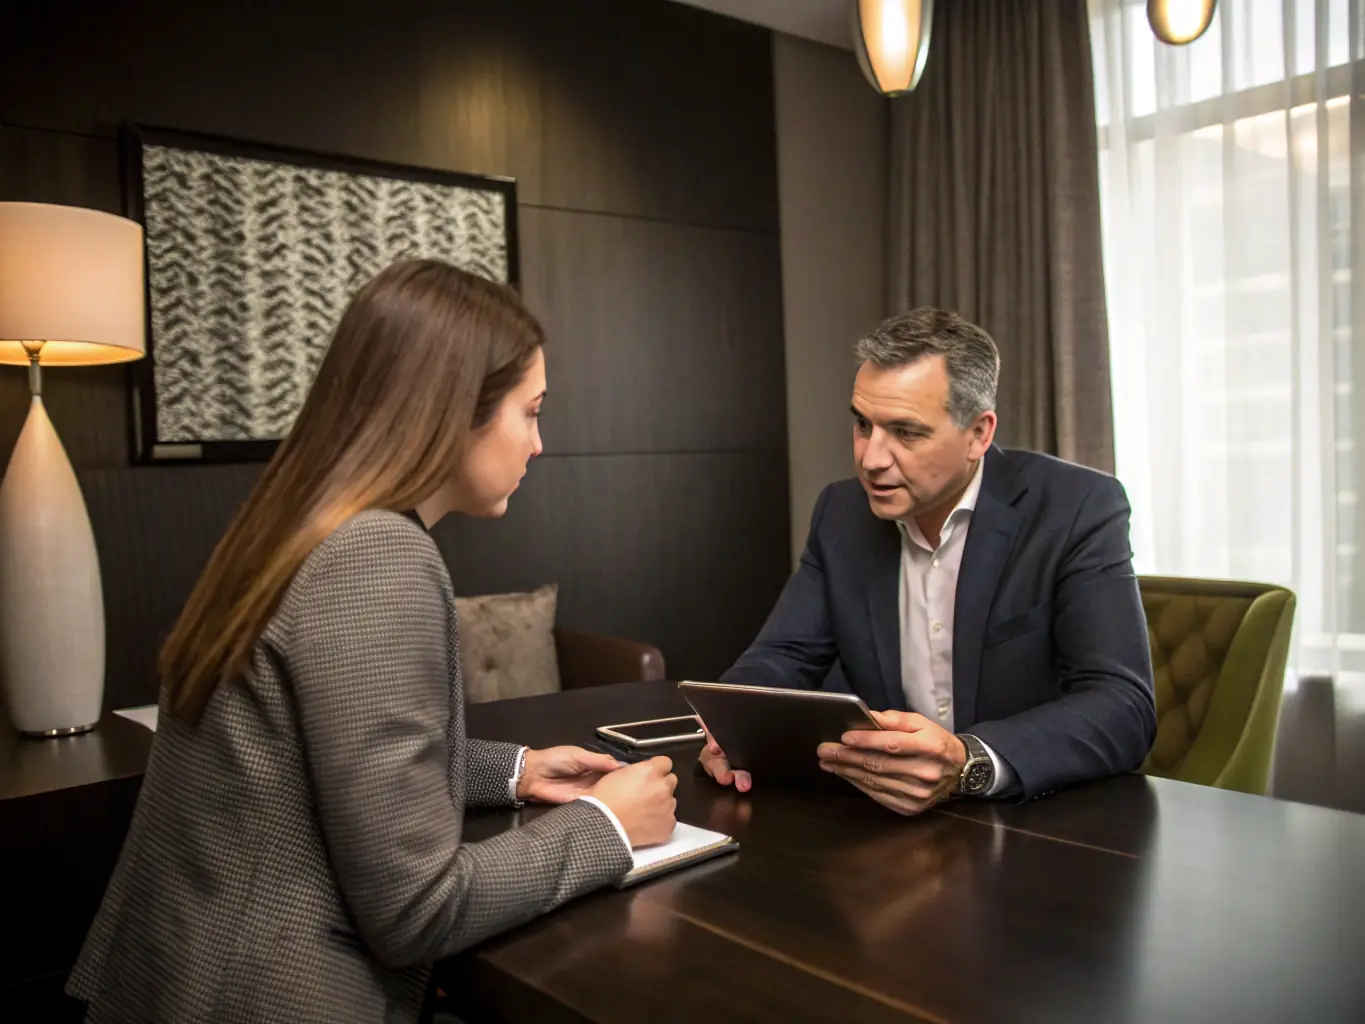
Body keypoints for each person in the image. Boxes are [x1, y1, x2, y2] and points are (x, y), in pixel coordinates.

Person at [67, 260, 678, 1023]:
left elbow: (307, 760)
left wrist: (515, 772)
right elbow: (416, 911)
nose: (538, 444)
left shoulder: (296, 521)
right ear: (455, 410)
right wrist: (607, 827)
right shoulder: (377, 558)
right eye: (531, 412)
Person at [701, 308, 1155, 814]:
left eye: (906, 432)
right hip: (887, 823)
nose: (871, 458)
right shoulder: (841, 513)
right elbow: (783, 656)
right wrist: (733, 727)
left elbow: (1123, 707)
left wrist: (967, 761)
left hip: (1040, 822)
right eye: (862, 424)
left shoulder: (1075, 507)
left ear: (979, 435)